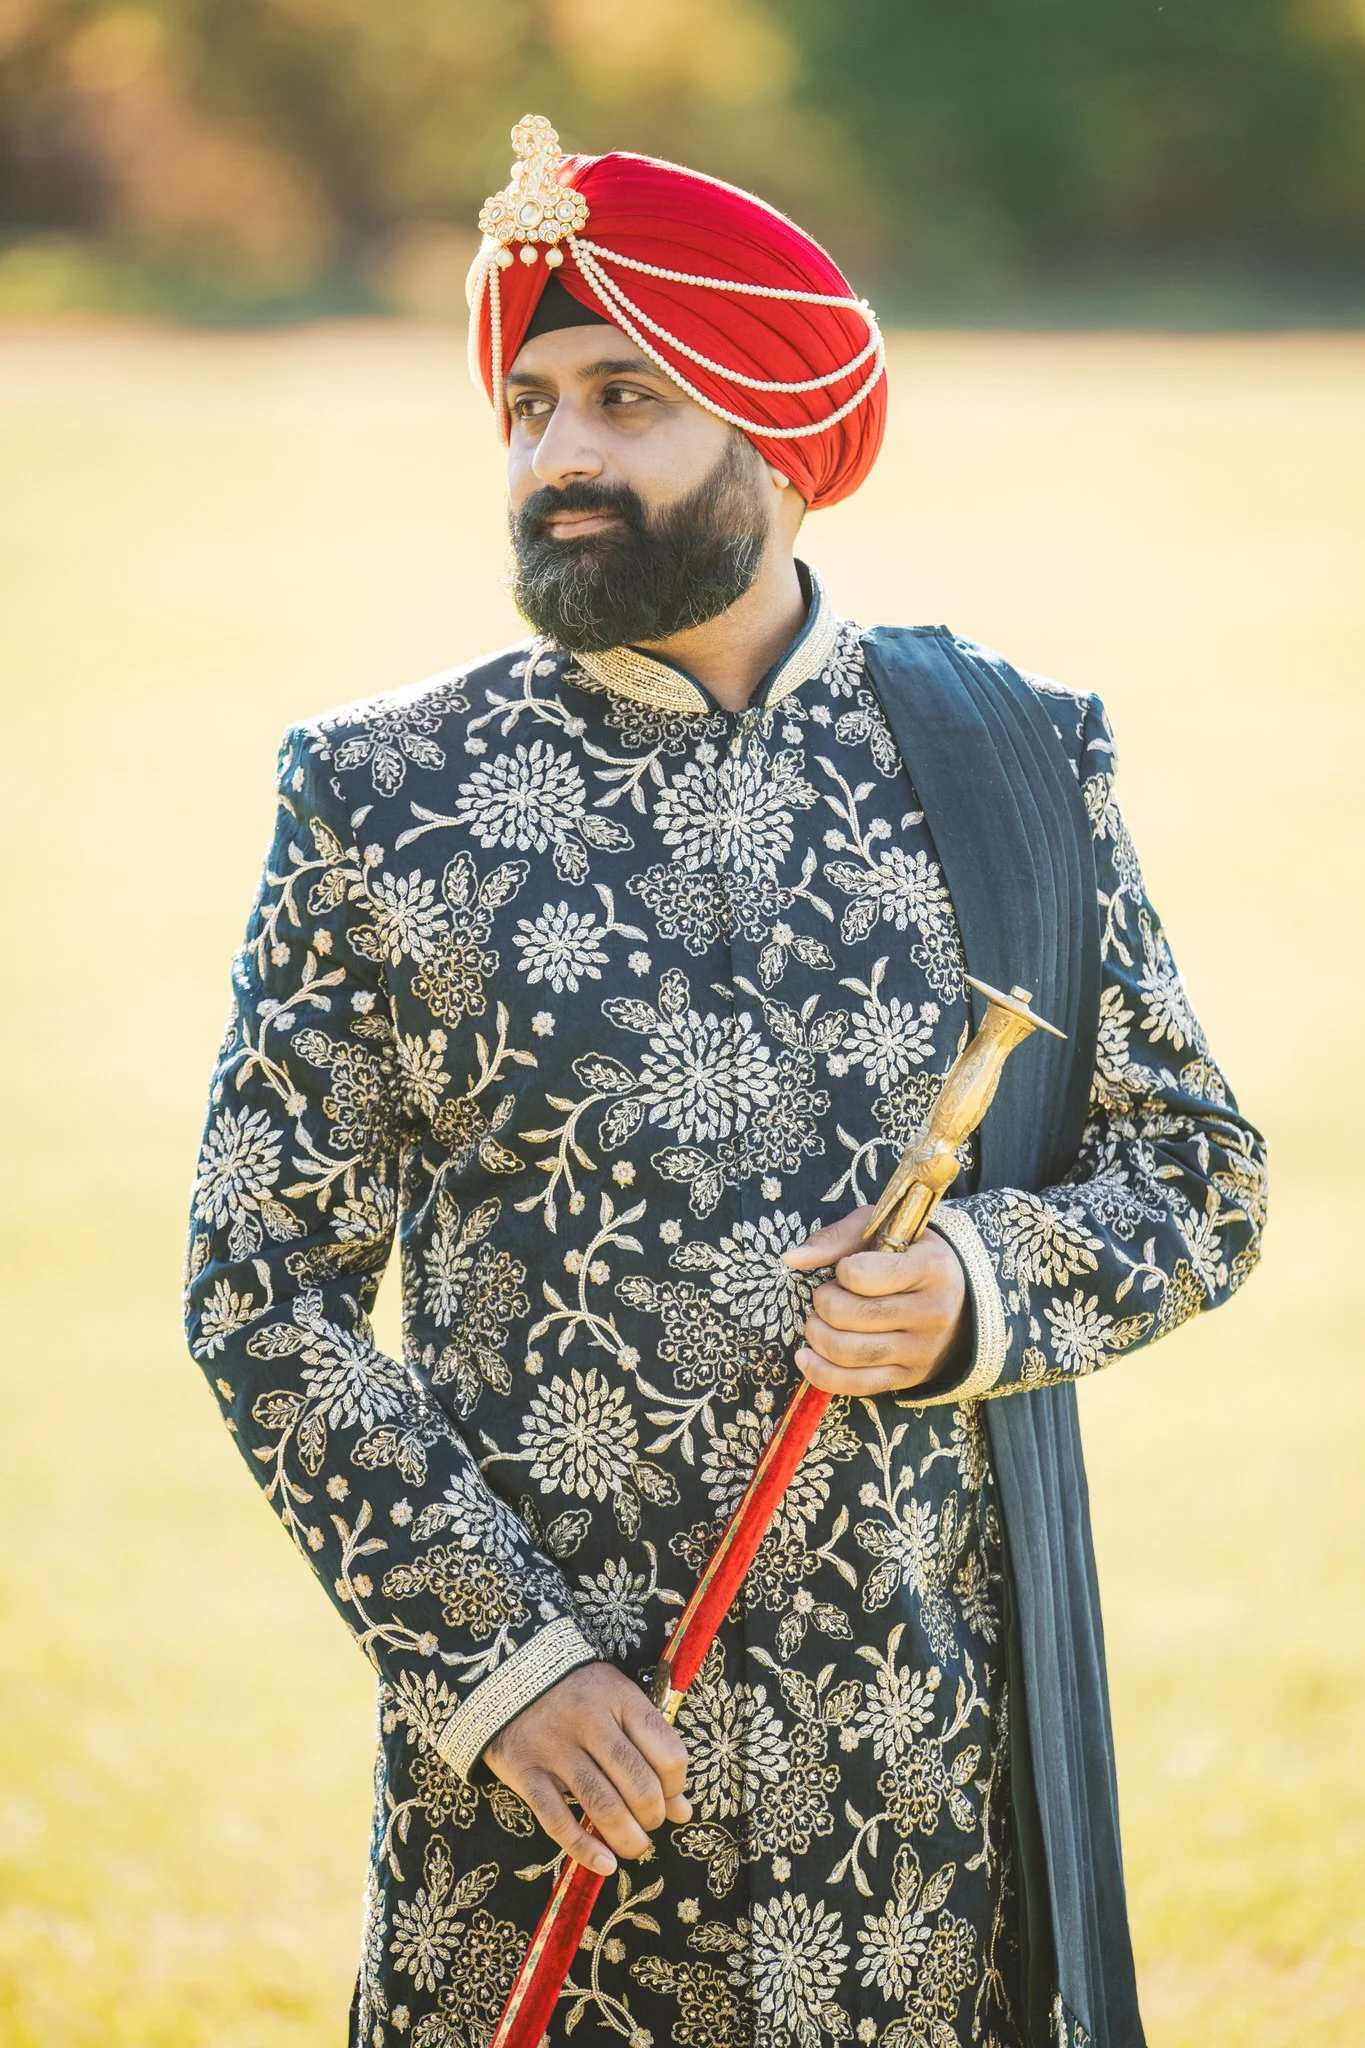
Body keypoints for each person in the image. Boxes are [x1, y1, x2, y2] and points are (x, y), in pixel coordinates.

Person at [185, 116, 1266, 2048]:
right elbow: (256, 1285)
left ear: (768, 422)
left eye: (624, 396)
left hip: (916, 1806)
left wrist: (980, 1296)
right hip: (546, 1812)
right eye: (525, 407)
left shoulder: (1013, 754)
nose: (559, 456)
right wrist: (499, 1665)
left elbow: (1199, 1180)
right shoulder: (384, 801)